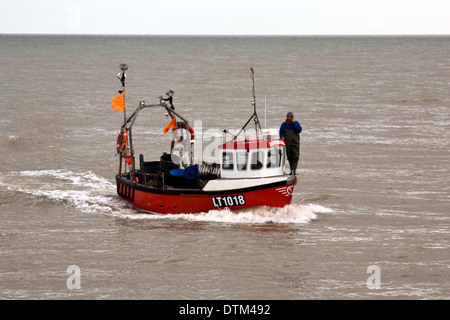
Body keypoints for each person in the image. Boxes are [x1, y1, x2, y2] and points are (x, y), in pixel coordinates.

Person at [279, 111, 302, 175]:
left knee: (296, 156)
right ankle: (291, 170)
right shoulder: (284, 124)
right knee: (289, 157)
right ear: (287, 117)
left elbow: (299, 130)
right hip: (288, 143)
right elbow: (281, 132)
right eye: (289, 117)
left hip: (295, 143)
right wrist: (282, 137)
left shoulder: (296, 123)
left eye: (291, 117)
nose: (290, 118)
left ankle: (294, 170)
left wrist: (294, 122)